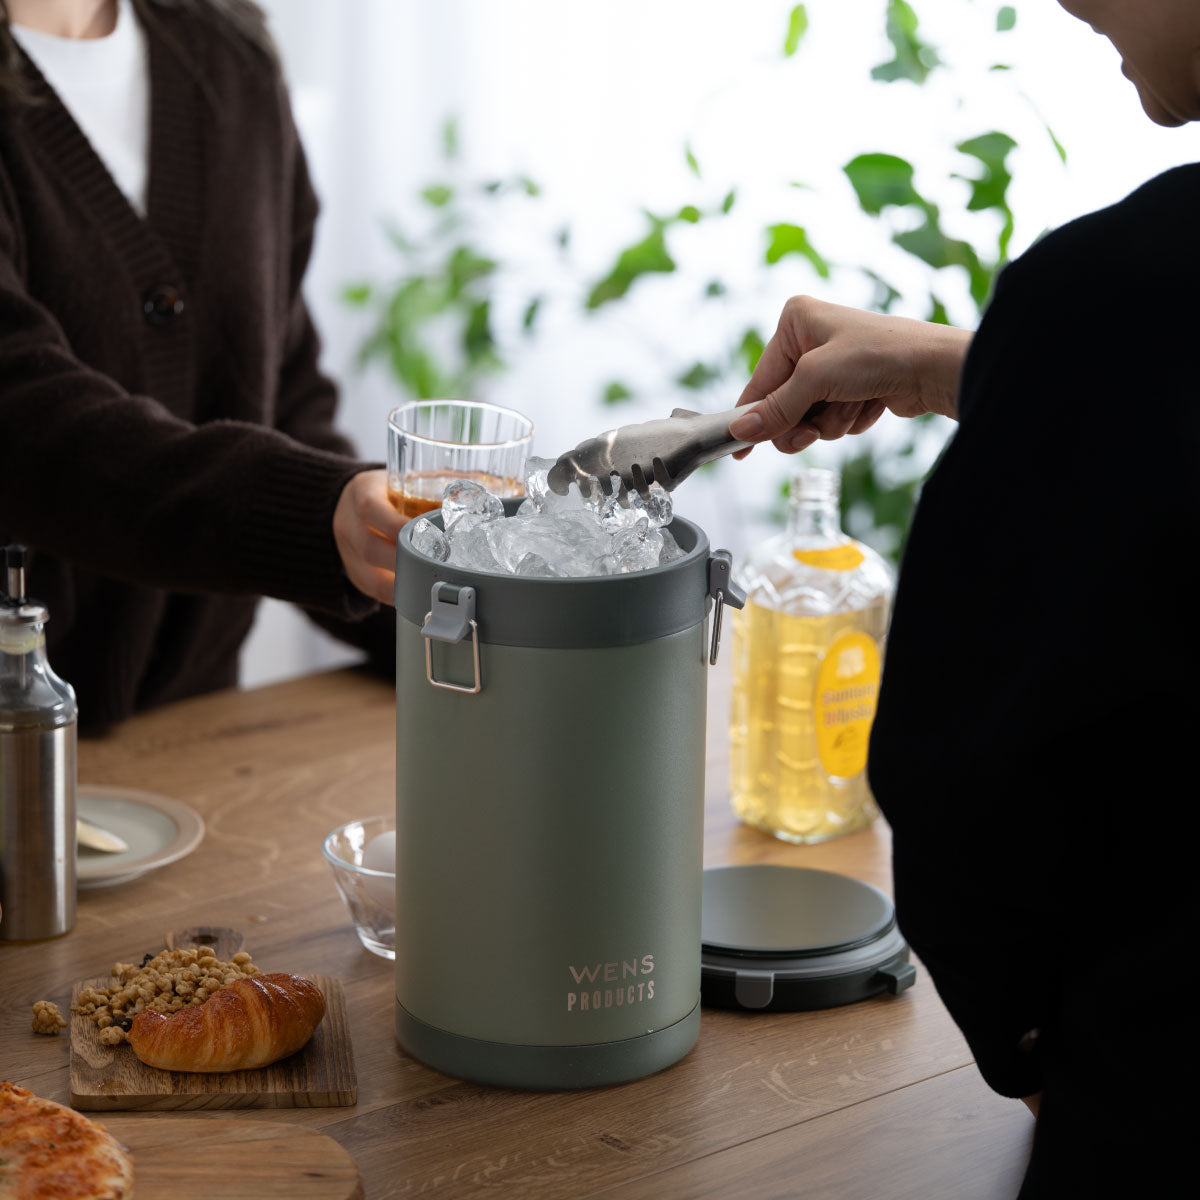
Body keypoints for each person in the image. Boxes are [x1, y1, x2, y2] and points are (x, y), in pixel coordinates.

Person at [728, 2, 1199, 1195]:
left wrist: (1038, 1055)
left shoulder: (1117, 295)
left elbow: (967, 795)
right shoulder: (1118, 319)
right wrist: (985, 366)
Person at [0, 0, 406, 731]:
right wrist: (320, 516)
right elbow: (27, 422)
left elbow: (284, 394)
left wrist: (442, 612)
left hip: (191, 740)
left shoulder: (229, 52)